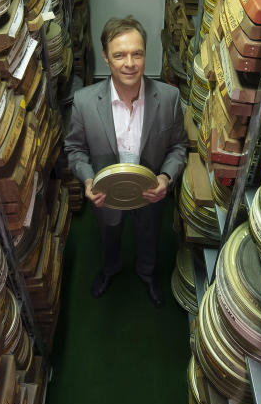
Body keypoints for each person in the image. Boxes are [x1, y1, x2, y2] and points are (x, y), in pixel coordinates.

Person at [64, 16, 188, 306]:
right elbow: (75, 149)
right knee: (109, 234)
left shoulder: (169, 99)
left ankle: (147, 273)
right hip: (106, 194)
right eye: (119, 55)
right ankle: (110, 269)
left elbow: (178, 146)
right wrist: (87, 179)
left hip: (150, 193)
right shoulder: (83, 102)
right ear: (106, 58)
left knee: (149, 235)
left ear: (146, 54)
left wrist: (166, 178)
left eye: (137, 53)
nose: (129, 63)